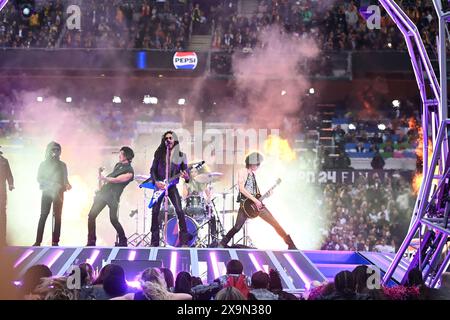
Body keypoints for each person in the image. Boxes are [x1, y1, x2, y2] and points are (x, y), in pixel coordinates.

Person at [219, 152, 297, 250]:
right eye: (257, 164)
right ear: (252, 163)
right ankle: (222, 244)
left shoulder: (253, 175)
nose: (258, 166)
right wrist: (255, 200)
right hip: (245, 205)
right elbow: (242, 189)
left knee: (273, 222)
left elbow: (256, 193)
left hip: (255, 204)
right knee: (237, 227)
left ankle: (290, 244)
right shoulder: (242, 171)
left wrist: (266, 196)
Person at [86, 146, 134, 247]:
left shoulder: (129, 171)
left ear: (126, 156)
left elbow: (117, 180)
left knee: (113, 220)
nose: (119, 155)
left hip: (113, 197)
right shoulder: (118, 165)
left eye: (121, 153)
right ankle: (91, 241)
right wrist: (101, 175)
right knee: (91, 216)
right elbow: (109, 179)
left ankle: (123, 240)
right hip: (103, 194)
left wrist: (104, 178)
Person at [149, 131, 191, 247]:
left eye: (170, 138)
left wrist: (186, 177)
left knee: (179, 210)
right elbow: (152, 170)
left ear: (175, 140)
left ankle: (184, 241)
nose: (168, 140)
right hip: (159, 186)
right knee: (155, 211)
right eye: (166, 138)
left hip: (172, 186)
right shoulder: (159, 154)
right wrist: (156, 182)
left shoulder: (181, 156)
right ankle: (154, 242)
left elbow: (186, 173)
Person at [33, 142, 71, 246]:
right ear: (49, 151)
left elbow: (65, 179)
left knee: (57, 217)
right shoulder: (43, 164)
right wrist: (52, 184)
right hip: (47, 192)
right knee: (44, 215)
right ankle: (38, 241)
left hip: (59, 193)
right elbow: (39, 178)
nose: (56, 152)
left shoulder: (63, 165)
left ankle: (55, 241)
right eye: (53, 150)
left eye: (58, 150)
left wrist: (67, 184)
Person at [0, 146, 14, 246]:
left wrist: (10, 184)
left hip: (2, 190)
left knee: (2, 214)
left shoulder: (4, 161)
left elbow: (9, 174)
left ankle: (3, 239)